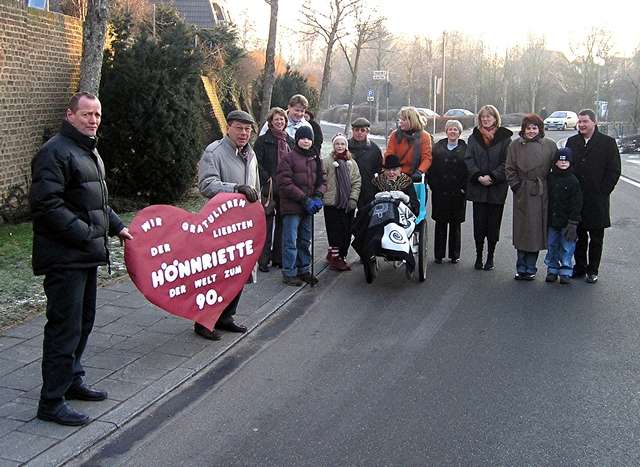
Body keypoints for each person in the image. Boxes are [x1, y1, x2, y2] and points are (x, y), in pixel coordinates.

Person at [30, 91, 133, 426]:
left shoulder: (89, 150)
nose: (93, 120)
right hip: (65, 258)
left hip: (86, 255)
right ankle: (51, 402)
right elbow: (47, 206)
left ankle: (72, 381)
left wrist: (117, 227)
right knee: (64, 328)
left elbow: (97, 200)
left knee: (83, 323)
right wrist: (86, 233)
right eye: (87, 114)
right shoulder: (54, 152)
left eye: (97, 115)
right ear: (70, 115)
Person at [197, 110, 260, 340]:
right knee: (218, 274)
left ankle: (226, 317)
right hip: (220, 225)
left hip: (244, 225)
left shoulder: (251, 154)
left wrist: (259, 211)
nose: (244, 133)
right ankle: (204, 321)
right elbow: (206, 184)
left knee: (239, 272)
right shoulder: (214, 152)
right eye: (239, 128)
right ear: (228, 128)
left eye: (248, 129)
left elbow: (256, 187)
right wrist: (234, 188)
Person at [565, 109, 621, 283]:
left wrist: (603, 191)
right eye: (579, 122)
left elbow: (614, 170)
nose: (581, 125)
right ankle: (580, 267)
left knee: (596, 238)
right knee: (578, 235)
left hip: (597, 199)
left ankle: (593, 270)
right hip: (577, 198)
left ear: (594, 122)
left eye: (585, 121)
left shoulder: (607, 143)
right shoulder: (572, 142)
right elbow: (566, 166)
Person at [505, 114, 556, 280]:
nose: (531, 131)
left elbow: (556, 169)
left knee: (535, 230)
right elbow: (509, 168)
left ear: (539, 129)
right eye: (528, 128)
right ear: (523, 129)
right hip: (523, 190)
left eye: (534, 128)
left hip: (541, 192)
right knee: (522, 230)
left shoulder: (550, 145)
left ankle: (531, 267)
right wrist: (517, 186)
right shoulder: (515, 145)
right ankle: (521, 267)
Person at [465, 104, 513, 271]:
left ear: (495, 118)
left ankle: (490, 257)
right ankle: (479, 256)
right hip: (478, 187)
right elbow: (468, 159)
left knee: (493, 225)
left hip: (496, 187)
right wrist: (478, 176)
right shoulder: (473, 137)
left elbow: (507, 162)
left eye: (489, 116)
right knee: (479, 224)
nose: (485, 119)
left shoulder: (505, 137)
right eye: (483, 117)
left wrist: (492, 177)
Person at [277, 126, 327, 286]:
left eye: (309, 138)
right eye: (303, 138)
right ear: (297, 139)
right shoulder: (288, 158)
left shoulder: (315, 157)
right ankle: (289, 272)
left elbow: (322, 179)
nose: (306, 141)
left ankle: (303, 269)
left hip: (309, 207)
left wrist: (319, 195)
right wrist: (304, 199)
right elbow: (285, 183)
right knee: (290, 240)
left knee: (305, 239)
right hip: (292, 206)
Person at [254, 107, 294, 272]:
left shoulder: (290, 141)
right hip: (269, 188)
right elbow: (256, 162)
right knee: (266, 224)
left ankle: (278, 258)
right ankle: (263, 260)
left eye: (282, 120)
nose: (279, 122)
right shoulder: (262, 141)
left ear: (285, 122)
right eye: (276, 119)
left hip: (285, 188)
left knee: (283, 225)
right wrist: (267, 177)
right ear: (270, 122)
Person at [428, 120, 468, 264]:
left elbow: (469, 171)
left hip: (458, 193)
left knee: (455, 225)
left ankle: (454, 254)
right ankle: (438, 255)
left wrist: (464, 189)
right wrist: (434, 187)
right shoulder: (437, 148)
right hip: (440, 193)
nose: (452, 132)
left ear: (459, 132)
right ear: (446, 131)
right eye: (450, 129)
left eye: (455, 130)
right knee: (440, 224)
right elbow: (431, 171)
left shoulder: (466, 149)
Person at [322, 133, 361, 271]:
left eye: (342, 144)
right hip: (332, 203)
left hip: (347, 204)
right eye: (337, 144)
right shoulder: (327, 162)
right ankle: (335, 258)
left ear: (346, 146)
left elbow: (357, 181)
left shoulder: (352, 163)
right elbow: (321, 180)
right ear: (333, 146)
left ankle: (341, 255)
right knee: (334, 232)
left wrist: (353, 198)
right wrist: (322, 194)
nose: (340, 146)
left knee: (346, 232)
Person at [544, 148, 583, 285]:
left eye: (566, 160)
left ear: (570, 162)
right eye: (560, 160)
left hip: (568, 223)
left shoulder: (573, 181)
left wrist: (573, 222)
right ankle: (552, 269)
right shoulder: (550, 178)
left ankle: (566, 271)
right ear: (555, 162)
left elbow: (577, 203)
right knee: (552, 245)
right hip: (553, 220)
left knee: (567, 247)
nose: (563, 162)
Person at [384, 106, 432, 178]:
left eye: (403, 120)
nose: (400, 122)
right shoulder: (395, 135)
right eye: (400, 119)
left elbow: (426, 158)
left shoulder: (424, 136)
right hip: (396, 174)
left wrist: (420, 171)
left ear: (412, 121)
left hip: (415, 175)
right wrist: (393, 171)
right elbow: (389, 154)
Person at [348, 117, 383, 209]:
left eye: (362, 130)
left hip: (367, 188)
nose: (359, 132)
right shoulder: (345, 146)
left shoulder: (374, 149)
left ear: (367, 132)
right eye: (356, 130)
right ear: (352, 131)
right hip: (348, 187)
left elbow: (379, 170)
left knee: (365, 217)